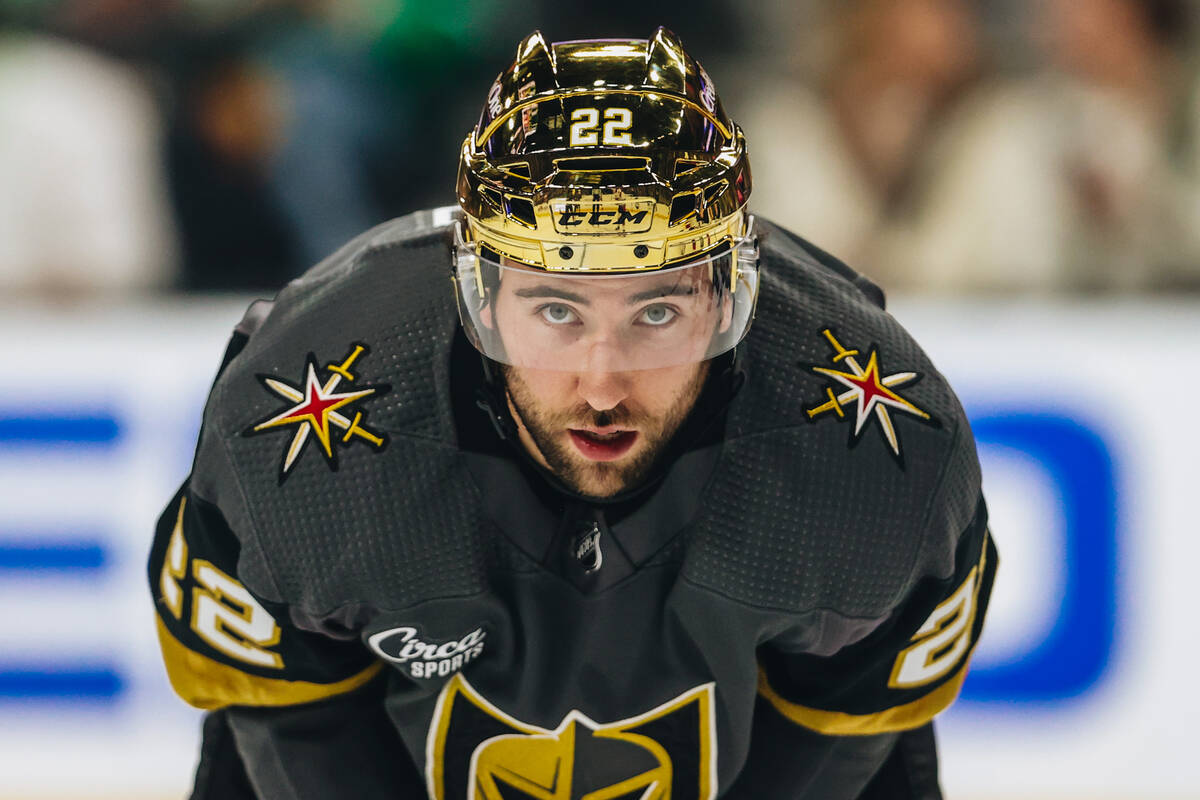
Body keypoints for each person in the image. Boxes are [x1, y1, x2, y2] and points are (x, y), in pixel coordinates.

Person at [148, 28, 996, 800]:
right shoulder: (293, 434)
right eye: (557, 311)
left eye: (656, 313)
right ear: (478, 293)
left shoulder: (882, 448)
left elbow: (841, 741)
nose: (601, 384)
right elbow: (296, 727)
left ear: (730, 295)